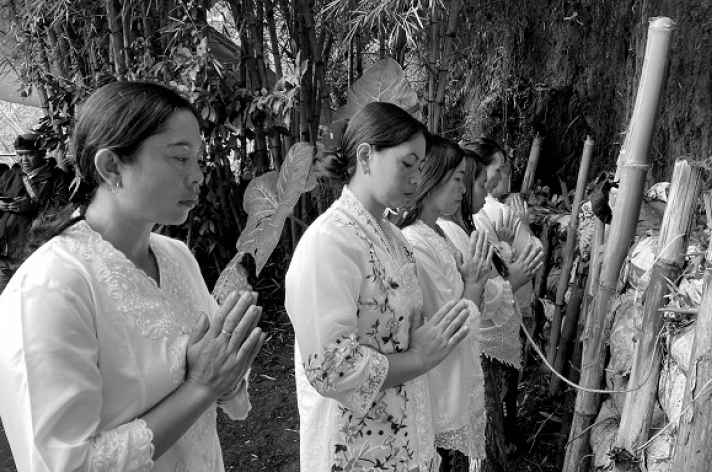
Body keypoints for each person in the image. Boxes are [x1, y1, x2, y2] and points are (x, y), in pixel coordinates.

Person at [0, 81, 266, 471]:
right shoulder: (49, 288)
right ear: (111, 167)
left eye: (198, 159)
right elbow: (63, 464)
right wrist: (201, 386)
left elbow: (221, 376)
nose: (198, 176)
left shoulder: (176, 257)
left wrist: (228, 370)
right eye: (180, 157)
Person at [285, 102, 473, 472]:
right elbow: (330, 369)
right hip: (354, 448)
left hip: (404, 433)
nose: (417, 179)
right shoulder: (329, 241)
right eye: (407, 164)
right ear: (366, 156)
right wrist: (419, 358)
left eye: (421, 167)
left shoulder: (394, 238)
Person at [438, 148, 543, 471]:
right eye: (481, 184)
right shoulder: (448, 231)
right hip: (476, 348)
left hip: (480, 346)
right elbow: (476, 290)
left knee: (489, 430)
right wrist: (512, 279)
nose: (486, 192)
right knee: (481, 441)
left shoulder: (463, 226)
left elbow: (488, 277)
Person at [397, 136, 492, 471]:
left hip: (453, 378)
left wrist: (471, 282)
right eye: (458, 179)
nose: (463, 189)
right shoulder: (415, 240)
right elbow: (446, 325)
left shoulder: (435, 232)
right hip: (439, 386)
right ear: (433, 178)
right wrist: (474, 284)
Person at [0, 132, 72, 289]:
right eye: (20, 155)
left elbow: (63, 205)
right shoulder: (9, 176)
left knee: (27, 292)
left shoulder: (57, 177)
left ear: (42, 153)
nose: (23, 160)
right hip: (5, 250)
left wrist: (33, 205)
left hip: (33, 249)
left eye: (29, 154)